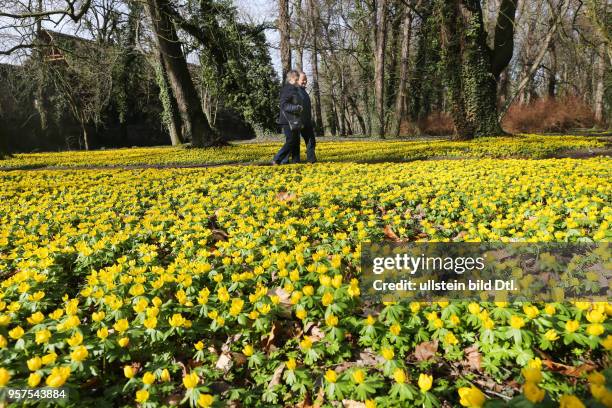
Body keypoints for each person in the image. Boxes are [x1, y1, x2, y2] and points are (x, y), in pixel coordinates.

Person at [282, 71, 316, 164]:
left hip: (306, 121)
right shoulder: (295, 90)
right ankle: (289, 161)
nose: (305, 81)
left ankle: (311, 160)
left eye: (306, 80)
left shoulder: (304, 91)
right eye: (303, 80)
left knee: (310, 141)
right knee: (293, 142)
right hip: (297, 121)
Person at [272, 70, 303, 165]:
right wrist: (297, 108)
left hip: (294, 119)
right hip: (288, 120)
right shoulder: (287, 89)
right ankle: (277, 159)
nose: (298, 81)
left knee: (296, 141)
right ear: (291, 78)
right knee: (291, 141)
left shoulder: (294, 89)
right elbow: (283, 105)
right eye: (297, 79)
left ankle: (295, 161)